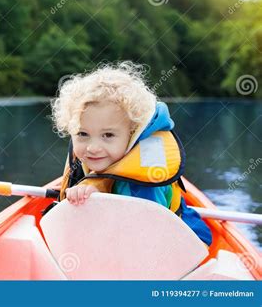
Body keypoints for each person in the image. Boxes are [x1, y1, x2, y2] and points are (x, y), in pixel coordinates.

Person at [50, 61, 212, 246]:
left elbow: (148, 242)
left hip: (178, 241)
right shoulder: (95, 158)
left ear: (132, 134)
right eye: (82, 134)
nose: (93, 147)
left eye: (108, 135)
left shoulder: (145, 185)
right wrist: (84, 195)